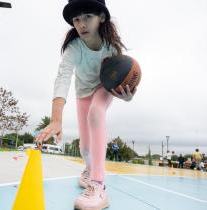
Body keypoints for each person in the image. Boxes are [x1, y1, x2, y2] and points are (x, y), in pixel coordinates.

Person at [35, 0, 136, 209]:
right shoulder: (74, 48)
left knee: (96, 113)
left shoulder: (111, 48)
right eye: (77, 19)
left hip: (103, 88)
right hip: (82, 93)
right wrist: (56, 119)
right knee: (85, 148)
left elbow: (122, 81)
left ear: (101, 17)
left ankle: (99, 185)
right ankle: (89, 170)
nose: (81, 24)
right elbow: (62, 77)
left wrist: (127, 97)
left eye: (87, 17)